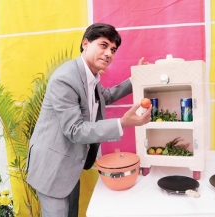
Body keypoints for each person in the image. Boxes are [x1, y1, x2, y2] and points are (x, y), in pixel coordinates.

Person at [26, 23, 152, 217]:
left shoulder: (90, 76)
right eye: (103, 45)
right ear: (85, 43)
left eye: (113, 49)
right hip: (51, 166)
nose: (109, 53)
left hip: (69, 164)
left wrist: (135, 79)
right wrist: (122, 123)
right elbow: (75, 130)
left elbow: (106, 96)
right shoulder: (66, 79)